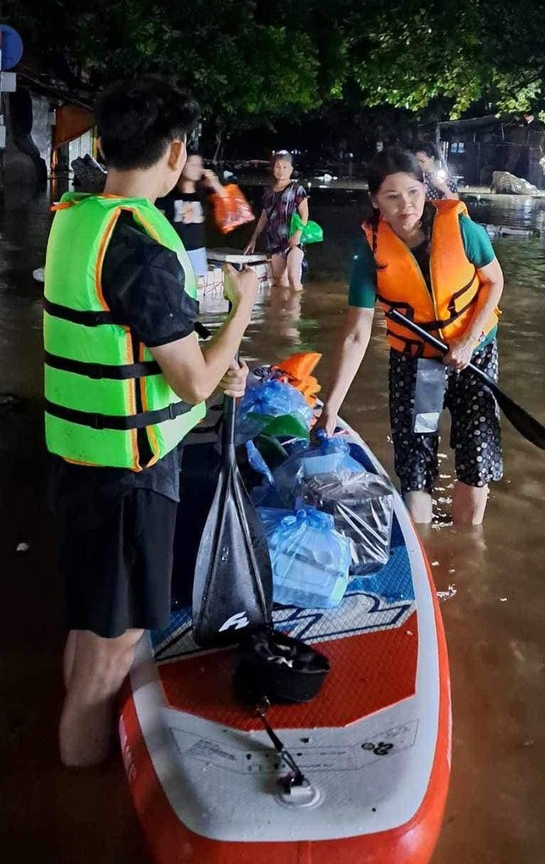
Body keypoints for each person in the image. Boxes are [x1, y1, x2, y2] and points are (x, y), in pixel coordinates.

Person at [43, 77, 259, 768]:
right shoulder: (138, 243)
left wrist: (213, 348)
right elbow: (192, 378)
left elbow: (143, 343)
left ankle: (70, 764)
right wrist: (244, 308)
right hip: (125, 482)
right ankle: (80, 791)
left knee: (88, 628)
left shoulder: (77, 217)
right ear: (174, 151)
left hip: (77, 461)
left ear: (103, 146)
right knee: (108, 661)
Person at [316, 148, 504, 527]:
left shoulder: (463, 229)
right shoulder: (369, 251)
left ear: (425, 190)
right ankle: (426, 555)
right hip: (415, 362)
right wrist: (332, 406)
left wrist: (467, 342)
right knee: (415, 464)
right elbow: (356, 333)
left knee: (476, 458)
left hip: (474, 354)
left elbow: (494, 281)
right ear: (375, 201)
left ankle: (466, 547)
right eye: (392, 197)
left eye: (413, 193)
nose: (406, 206)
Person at [244, 149, 309, 290]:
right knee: (281, 280)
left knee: (293, 277)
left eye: (285, 167)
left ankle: (296, 310)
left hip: (293, 242)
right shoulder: (268, 192)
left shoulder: (297, 189)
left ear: (291, 169)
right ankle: (284, 310)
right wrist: (254, 237)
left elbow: (305, 215)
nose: (281, 171)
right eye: (278, 167)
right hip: (274, 243)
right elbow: (264, 216)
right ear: (273, 169)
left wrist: (298, 234)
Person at [157, 151, 225, 280]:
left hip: (196, 251)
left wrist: (215, 183)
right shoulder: (168, 195)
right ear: (182, 166)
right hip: (174, 251)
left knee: (195, 294)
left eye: (200, 165)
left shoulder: (204, 194)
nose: (197, 168)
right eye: (193, 164)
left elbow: (230, 208)